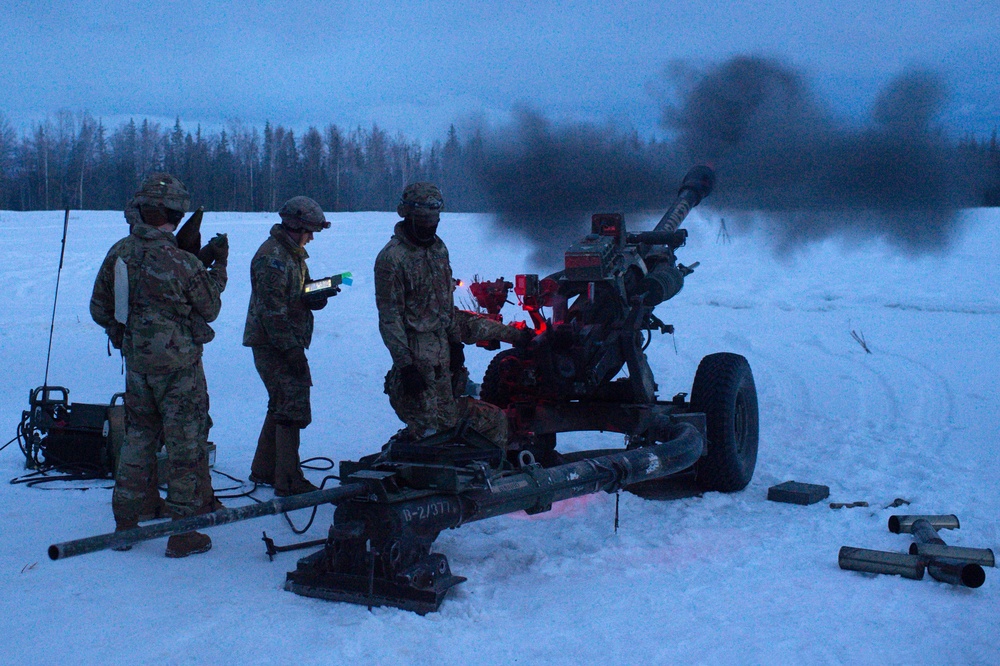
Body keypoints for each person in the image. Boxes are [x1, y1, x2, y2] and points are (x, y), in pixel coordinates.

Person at [90, 172, 228, 558]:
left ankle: (126, 523)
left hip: (137, 367)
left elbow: (100, 308)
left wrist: (125, 335)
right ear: (174, 213)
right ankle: (183, 533)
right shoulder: (180, 261)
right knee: (185, 446)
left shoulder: (119, 251)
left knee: (138, 439)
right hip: (180, 369)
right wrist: (218, 268)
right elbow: (210, 308)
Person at [374, 182, 528, 449]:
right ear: (408, 216)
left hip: (444, 360)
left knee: (495, 422)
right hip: (418, 363)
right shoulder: (392, 259)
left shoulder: (438, 250)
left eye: (434, 220)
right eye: (423, 221)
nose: (429, 227)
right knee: (435, 440)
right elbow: (390, 318)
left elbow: (447, 310)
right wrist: (406, 366)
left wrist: (457, 341)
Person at [244, 196, 335, 496]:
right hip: (275, 345)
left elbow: (296, 293)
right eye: (309, 232)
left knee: (281, 402)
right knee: (291, 405)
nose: (311, 238)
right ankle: (288, 479)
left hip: (284, 342)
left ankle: (264, 469)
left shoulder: (291, 254)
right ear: (296, 226)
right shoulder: (273, 258)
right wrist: (292, 352)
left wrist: (316, 293)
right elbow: (271, 313)